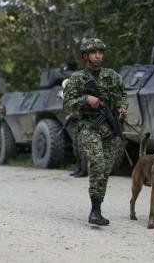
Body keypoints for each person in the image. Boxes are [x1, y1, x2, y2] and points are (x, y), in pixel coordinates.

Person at [63, 38, 127, 226]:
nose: (98, 55)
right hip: (89, 127)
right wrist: (85, 100)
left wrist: (122, 108)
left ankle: (97, 208)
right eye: (93, 52)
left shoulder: (112, 76)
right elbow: (67, 104)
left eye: (100, 52)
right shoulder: (77, 79)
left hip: (110, 128)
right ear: (85, 56)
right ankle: (94, 212)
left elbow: (123, 95)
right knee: (97, 163)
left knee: (105, 170)